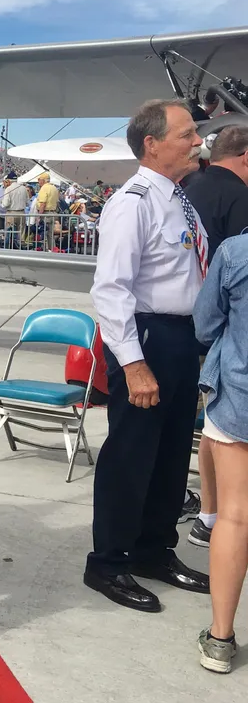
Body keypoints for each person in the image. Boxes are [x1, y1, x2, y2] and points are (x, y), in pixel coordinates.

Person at [86, 99, 210, 613]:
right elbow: (111, 290)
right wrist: (134, 365)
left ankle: (154, 550)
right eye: (187, 134)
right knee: (131, 456)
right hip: (147, 338)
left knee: (170, 454)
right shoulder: (133, 201)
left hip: (180, 340)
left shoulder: (178, 199)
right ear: (153, 144)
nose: (198, 141)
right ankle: (109, 563)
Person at [182, 124, 248, 549]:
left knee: (213, 424)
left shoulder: (187, 188)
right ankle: (218, 516)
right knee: (222, 426)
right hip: (228, 332)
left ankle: (208, 514)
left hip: (186, 322)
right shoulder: (240, 197)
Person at [193, 233, 248, 673]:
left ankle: (220, 639)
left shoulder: (235, 252)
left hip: (240, 398)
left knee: (235, 516)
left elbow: (206, 325)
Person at [35, 172, 60, 251]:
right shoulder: (54, 188)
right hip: (53, 212)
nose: (38, 182)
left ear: (43, 180)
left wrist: (39, 216)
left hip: (45, 213)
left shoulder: (44, 188)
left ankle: (46, 250)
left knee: (44, 233)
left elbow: (43, 203)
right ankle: (52, 249)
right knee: (51, 234)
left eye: (39, 180)